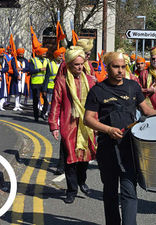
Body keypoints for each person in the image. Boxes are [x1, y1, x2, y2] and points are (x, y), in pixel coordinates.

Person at [83, 51, 156, 225]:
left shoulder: (133, 87)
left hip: (129, 148)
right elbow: (88, 119)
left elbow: (147, 111)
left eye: (123, 67)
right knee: (110, 192)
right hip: (107, 148)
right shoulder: (97, 90)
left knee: (129, 191)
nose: (120, 70)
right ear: (107, 67)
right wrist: (108, 129)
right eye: (116, 67)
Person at [48, 46, 96, 204]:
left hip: (87, 125)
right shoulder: (62, 81)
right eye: (76, 64)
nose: (80, 67)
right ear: (69, 65)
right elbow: (56, 104)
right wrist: (54, 125)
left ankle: (82, 182)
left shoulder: (90, 80)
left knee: (84, 159)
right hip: (69, 126)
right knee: (70, 159)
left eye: (82, 64)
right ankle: (71, 190)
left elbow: (97, 104)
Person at [138, 47, 156, 114]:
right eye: (153, 58)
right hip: (148, 108)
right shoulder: (144, 73)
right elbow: (137, 90)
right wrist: (147, 90)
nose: (155, 60)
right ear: (150, 60)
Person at [29, 47, 50, 121]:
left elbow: (48, 72)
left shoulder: (47, 60)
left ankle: (43, 113)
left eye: (45, 53)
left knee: (46, 100)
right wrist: (39, 70)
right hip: (35, 83)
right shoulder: (33, 60)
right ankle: (36, 116)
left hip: (43, 83)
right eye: (43, 53)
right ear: (40, 53)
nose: (45, 54)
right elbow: (30, 71)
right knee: (36, 100)